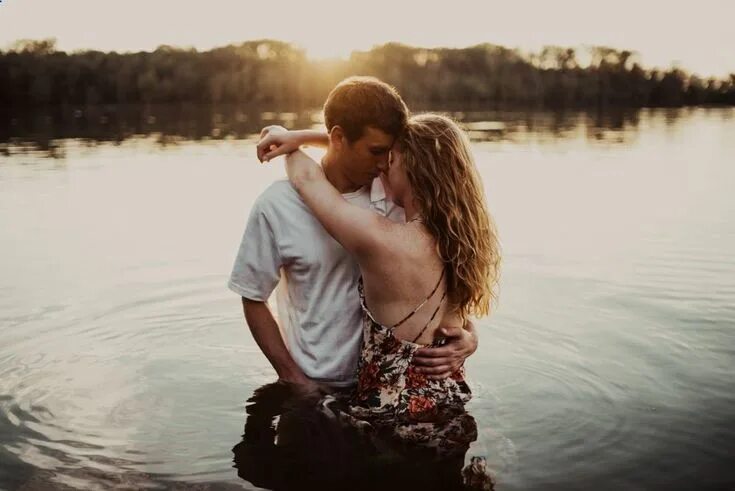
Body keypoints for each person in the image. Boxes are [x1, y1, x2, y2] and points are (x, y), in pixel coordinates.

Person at [258, 112, 500, 446]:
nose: (383, 166)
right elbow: (451, 321)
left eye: (393, 159)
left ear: (414, 168)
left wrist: (289, 138)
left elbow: (308, 180)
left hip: (391, 421)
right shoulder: (466, 241)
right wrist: (471, 339)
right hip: (449, 405)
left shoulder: (383, 240)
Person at [228, 77, 479, 394]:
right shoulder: (276, 205)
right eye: (375, 151)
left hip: (379, 387)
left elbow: (439, 288)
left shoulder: (398, 197)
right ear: (337, 137)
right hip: (315, 384)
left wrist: (469, 336)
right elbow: (252, 296)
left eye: (390, 153)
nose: (383, 164)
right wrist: (292, 378)